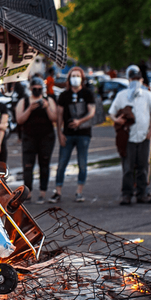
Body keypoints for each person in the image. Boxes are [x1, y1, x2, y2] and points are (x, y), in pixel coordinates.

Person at [109, 65, 151, 204]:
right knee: (128, 167)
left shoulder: (147, 95)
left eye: (138, 79)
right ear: (129, 79)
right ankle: (126, 194)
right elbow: (112, 112)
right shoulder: (122, 95)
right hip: (129, 137)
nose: (135, 81)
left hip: (144, 136)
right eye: (133, 79)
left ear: (142, 79)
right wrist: (117, 120)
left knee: (143, 166)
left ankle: (142, 193)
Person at [49, 66, 96, 203]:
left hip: (83, 133)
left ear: (82, 78)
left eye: (78, 76)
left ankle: (79, 191)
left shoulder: (87, 93)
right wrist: (60, 133)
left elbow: (91, 112)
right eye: (73, 76)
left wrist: (79, 121)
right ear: (69, 79)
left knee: (82, 163)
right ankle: (57, 192)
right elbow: (59, 116)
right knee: (62, 163)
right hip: (68, 134)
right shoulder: (64, 95)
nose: (75, 78)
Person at [16, 76, 58, 204]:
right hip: (29, 138)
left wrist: (46, 107)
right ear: (30, 88)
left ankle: (42, 193)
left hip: (46, 137)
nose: (37, 91)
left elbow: (54, 117)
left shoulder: (48, 100)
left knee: (44, 165)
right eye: (35, 89)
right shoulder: (24, 101)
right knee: (28, 165)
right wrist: (30, 108)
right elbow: (19, 119)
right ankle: (28, 194)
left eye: (39, 89)